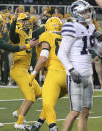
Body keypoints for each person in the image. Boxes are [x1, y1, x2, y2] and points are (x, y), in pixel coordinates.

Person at [58, 0, 102, 131]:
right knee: (75, 111)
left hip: (88, 75)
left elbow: (99, 51)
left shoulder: (92, 27)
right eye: (85, 11)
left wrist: (100, 40)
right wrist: (71, 70)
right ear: (77, 13)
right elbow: (61, 53)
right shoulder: (71, 27)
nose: (88, 13)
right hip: (75, 74)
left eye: (88, 11)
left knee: (85, 112)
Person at [25, 17, 67, 131]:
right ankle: (36, 126)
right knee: (49, 102)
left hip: (55, 74)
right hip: (68, 77)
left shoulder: (47, 35)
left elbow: (44, 57)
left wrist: (33, 73)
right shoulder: (65, 37)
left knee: (47, 103)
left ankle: (53, 127)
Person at [10, 9, 45, 129]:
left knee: (38, 93)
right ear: (19, 22)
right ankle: (19, 122)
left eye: (26, 20)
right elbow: (11, 34)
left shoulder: (28, 33)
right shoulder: (16, 34)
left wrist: (49, 24)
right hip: (18, 69)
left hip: (25, 70)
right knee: (30, 97)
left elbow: (39, 31)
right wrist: (14, 20)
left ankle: (19, 112)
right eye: (24, 20)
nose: (26, 22)